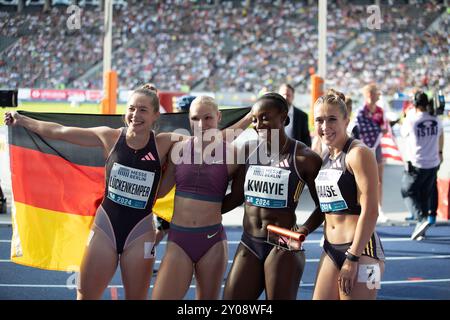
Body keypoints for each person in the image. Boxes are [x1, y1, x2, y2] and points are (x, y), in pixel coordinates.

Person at [4, 84, 175, 299]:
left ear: (155, 116)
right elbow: (60, 132)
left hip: (141, 232)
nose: (135, 115)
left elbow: (201, 143)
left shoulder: (164, 143)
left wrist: (226, 130)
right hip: (106, 227)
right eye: (131, 108)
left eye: (143, 110)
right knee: (85, 294)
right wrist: (22, 120)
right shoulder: (110, 137)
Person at [221, 92, 322, 300]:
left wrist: (304, 230)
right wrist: (202, 210)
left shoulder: (305, 158)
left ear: (283, 117)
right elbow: (237, 196)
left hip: (283, 243)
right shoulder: (248, 150)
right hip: (249, 240)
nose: (259, 125)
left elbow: (323, 206)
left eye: (265, 117)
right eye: (255, 120)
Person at [151, 96, 250, 300]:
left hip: (212, 241)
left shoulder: (234, 155)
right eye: (195, 118)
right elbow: (159, 192)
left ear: (218, 117)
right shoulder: (177, 149)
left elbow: (239, 197)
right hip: (179, 239)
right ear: (188, 119)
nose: (201, 124)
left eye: (208, 118)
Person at [299, 89, 385, 300]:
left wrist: (353, 258)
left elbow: (371, 211)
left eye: (332, 119)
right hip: (330, 248)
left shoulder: (359, 153)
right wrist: (304, 230)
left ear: (346, 120)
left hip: (364, 252)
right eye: (319, 120)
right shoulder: (324, 154)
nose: (325, 127)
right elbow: (325, 206)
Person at [401, 91, 444, 240]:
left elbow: (403, 132)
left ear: (414, 104)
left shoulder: (411, 120)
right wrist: (440, 152)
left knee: (407, 191)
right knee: (425, 195)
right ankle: (422, 230)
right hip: (433, 163)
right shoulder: (436, 120)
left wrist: (407, 115)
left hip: (417, 163)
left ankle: (421, 219)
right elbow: (441, 134)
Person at [355, 84, 388, 223]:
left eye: (374, 94)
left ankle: (379, 207)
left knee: (379, 180)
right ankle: (361, 208)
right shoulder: (361, 111)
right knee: (362, 179)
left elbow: (383, 128)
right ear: (366, 95)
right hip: (363, 148)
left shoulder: (380, 110)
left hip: (377, 147)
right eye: (370, 94)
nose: (373, 96)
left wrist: (382, 130)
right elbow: (359, 129)